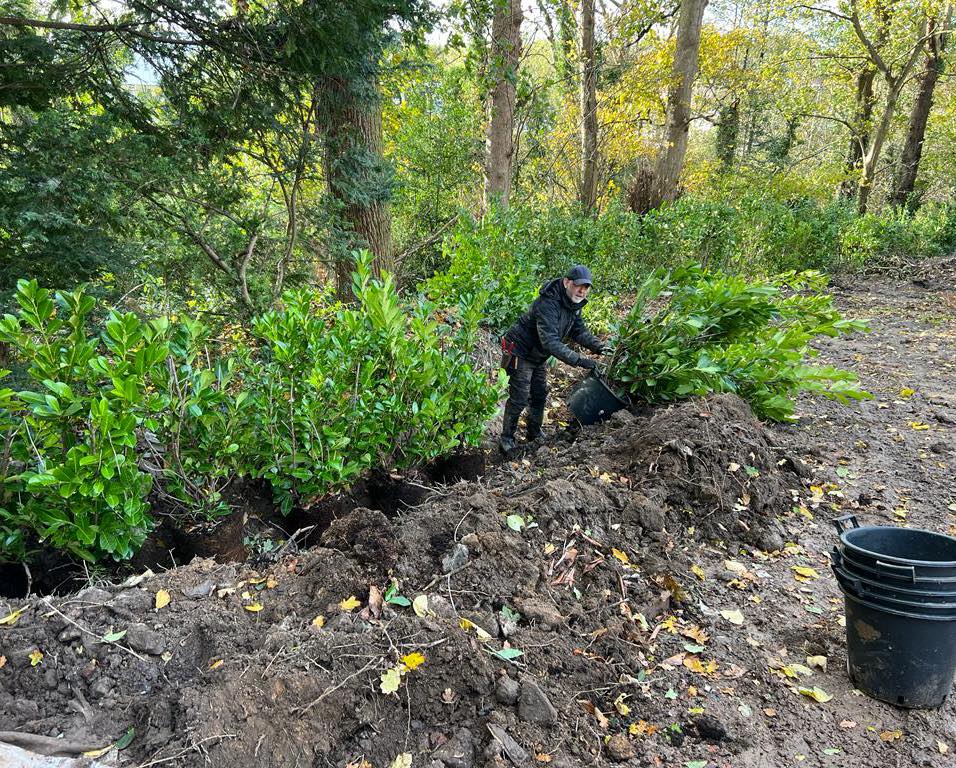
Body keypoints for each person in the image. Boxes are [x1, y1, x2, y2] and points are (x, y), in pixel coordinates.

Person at [499, 265, 604, 454]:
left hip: (537, 355)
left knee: (540, 393)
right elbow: (550, 342)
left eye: (586, 287)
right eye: (578, 286)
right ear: (566, 282)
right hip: (520, 352)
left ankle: (534, 432)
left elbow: (578, 330)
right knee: (520, 397)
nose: (582, 291)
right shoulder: (548, 304)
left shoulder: (574, 304)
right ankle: (506, 439)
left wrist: (599, 347)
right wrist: (580, 360)